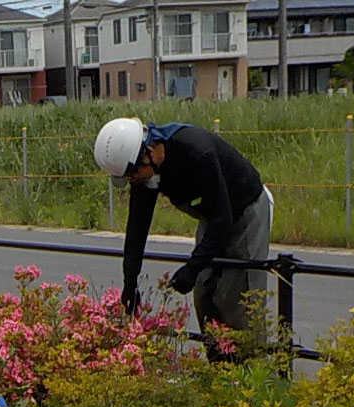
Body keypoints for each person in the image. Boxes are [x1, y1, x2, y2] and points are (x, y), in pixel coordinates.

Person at [93, 118, 274, 361]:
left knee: (236, 297)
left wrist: (192, 267)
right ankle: (219, 370)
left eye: (133, 173)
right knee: (204, 294)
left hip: (245, 212)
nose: (133, 180)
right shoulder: (145, 173)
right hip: (213, 217)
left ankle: (251, 374)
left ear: (150, 151)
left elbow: (224, 218)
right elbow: (137, 228)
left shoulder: (197, 151)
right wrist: (130, 282)